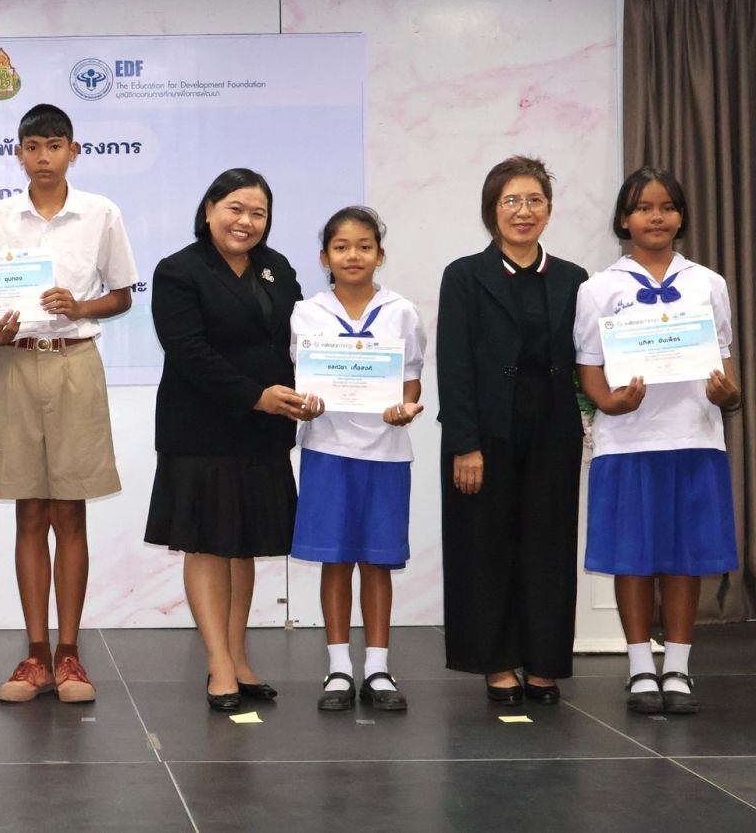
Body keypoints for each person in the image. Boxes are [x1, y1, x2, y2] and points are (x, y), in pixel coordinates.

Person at [0, 103, 137, 705]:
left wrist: (81, 307)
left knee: (70, 513)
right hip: (15, 363)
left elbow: (122, 295)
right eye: (33, 146)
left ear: (74, 151)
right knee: (28, 512)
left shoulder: (101, 213)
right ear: (18, 153)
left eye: (55, 145)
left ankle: (70, 652)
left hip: (75, 362)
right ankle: (35, 654)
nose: (44, 157)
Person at [575, 167, 742, 715]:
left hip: (695, 436)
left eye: (667, 207)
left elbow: (724, 364)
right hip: (627, 440)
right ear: (624, 219)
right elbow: (589, 367)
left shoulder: (709, 283)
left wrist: (728, 394)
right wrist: (608, 403)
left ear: (681, 216)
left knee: (685, 556)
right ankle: (640, 666)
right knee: (633, 556)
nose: (656, 216)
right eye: (643, 207)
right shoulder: (598, 288)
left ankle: (678, 667)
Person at [144, 168, 305, 712]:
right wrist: (255, 395)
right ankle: (217, 664)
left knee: (243, 543)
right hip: (201, 429)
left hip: (262, 431)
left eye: (258, 213)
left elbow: (301, 339)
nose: (246, 222)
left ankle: (238, 656)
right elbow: (188, 351)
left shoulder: (277, 267)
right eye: (235, 208)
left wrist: (314, 388)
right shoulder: (178, 270)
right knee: (209, 544)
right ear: (210, 208)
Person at [436, 155, 587, 704]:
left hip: (553, 433)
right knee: (486, 549)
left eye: (534, 201)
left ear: (549, 209)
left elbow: (587, 358)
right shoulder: (464, 275)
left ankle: (544, 664)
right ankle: (496, 663)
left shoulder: (573, 278)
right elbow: (453, 365)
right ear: (492, 210)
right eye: (511, 201)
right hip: (485, 436)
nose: (524, 211)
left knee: (549, 548)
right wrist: (464, 444)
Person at [289, 207, 426, 712]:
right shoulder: (306, 313)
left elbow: (411, 379)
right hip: (327, 449)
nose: (354, 255)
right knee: (335, 559)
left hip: (386, 452)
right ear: (324, 257)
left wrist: (405, 408)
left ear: (380, 255)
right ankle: (339, 668)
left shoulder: (401, 311)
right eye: (342, 246)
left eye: (365, 246)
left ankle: (378, 668)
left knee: (378, 560)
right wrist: (304, 404)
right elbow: (300, 379)